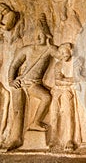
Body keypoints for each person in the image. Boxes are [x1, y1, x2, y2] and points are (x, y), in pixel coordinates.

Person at [5, 13, 59, 150]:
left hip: (35, 84)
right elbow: (14, 66)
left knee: (46, 97)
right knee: (18, 109)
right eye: (37, 35)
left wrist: (50, 45)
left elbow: (61, 55)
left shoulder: (48, 50)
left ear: (47, 35)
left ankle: (36, 122)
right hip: (22, 82)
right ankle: (15, 138)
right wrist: (11, 81)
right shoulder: (27, 49)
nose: (38, 37)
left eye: (42, 35)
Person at [49, 43, 76, 152]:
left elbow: (79, 78)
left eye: (66, 51)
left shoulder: (75, 63)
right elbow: (57, 80)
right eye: (62, 52)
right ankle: (54, 137)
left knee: (68, 113)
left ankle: (69, 139)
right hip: (57, 92)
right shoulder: (58, 65)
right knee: (54, 112)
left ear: (71, 51)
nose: (64, 54)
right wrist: (70, 80)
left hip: (69, 92)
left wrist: (66, 81)